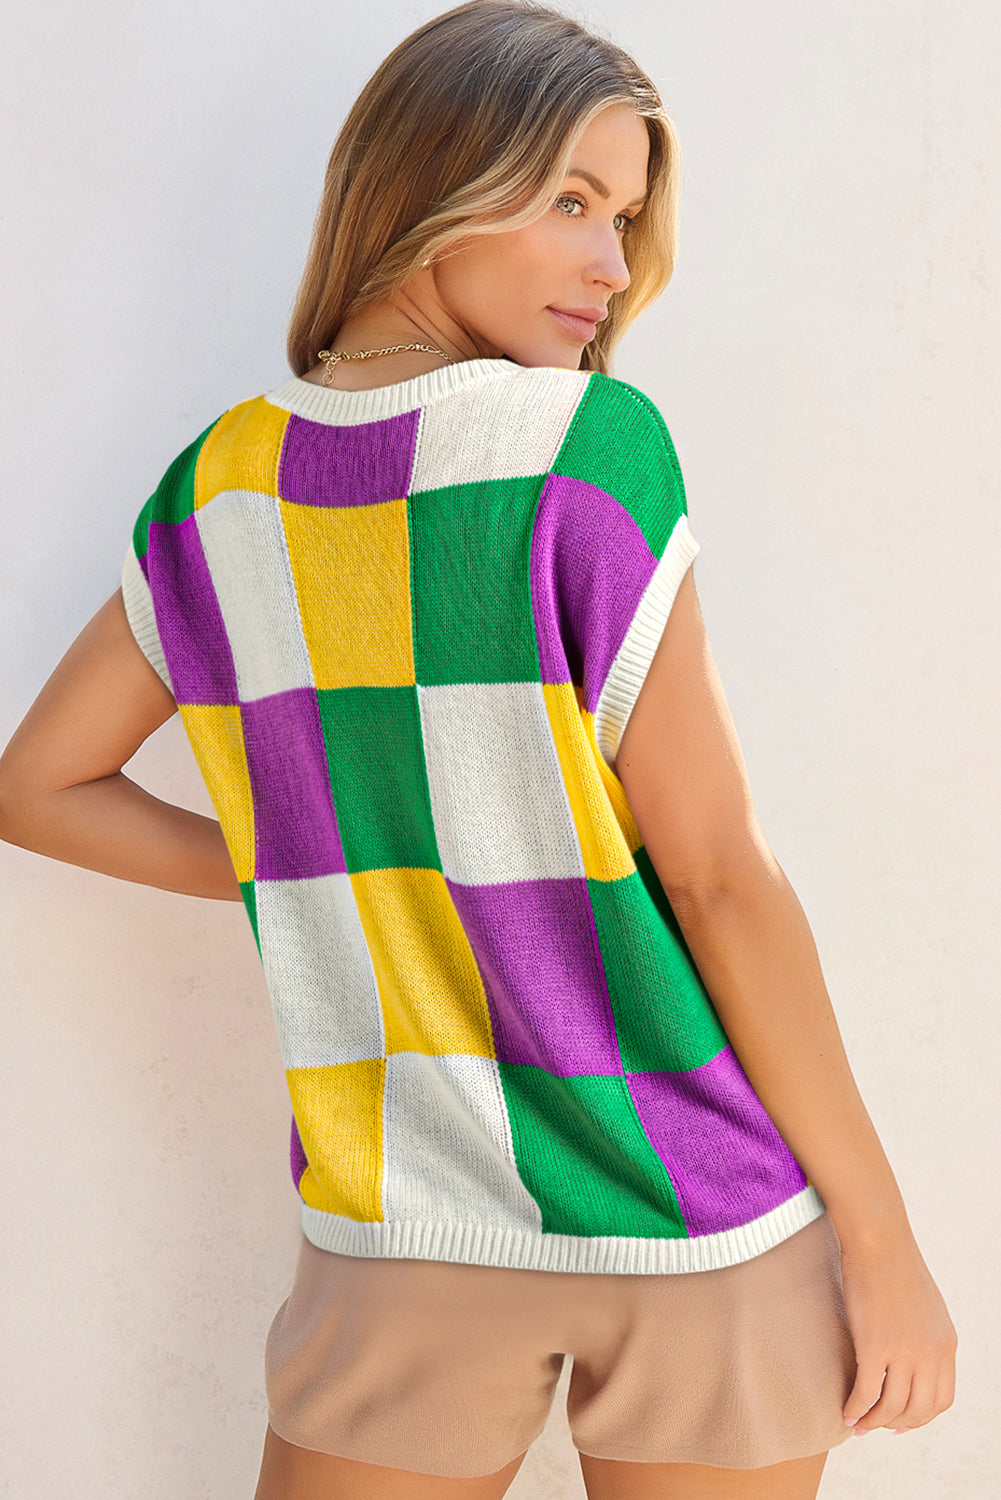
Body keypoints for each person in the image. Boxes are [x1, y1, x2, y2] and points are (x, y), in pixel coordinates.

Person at [0, 1, 957, 1497]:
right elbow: (717, 878)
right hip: (692, 1206)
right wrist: (884, 1244)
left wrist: (311, 861)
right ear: (429, 182)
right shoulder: (587, 446)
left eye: (624, 217)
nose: (612, 265)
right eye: (569, 199)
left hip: (402, 1224)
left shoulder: (220, 488)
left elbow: (38, 788)